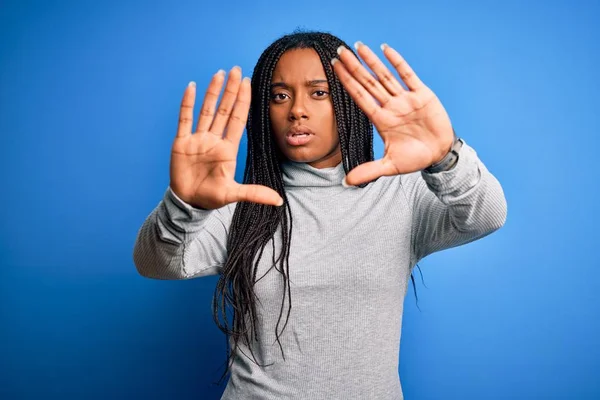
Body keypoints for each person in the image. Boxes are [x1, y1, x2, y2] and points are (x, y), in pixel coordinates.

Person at [133, 30, 507, 400]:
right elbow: (156, 263)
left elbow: (486, 215)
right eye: (280, 96)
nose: (297, 110)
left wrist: (446, 156)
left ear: (348, 101)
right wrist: (186, 205)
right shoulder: (241, 203)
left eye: (319, 92)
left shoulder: (400, 195)